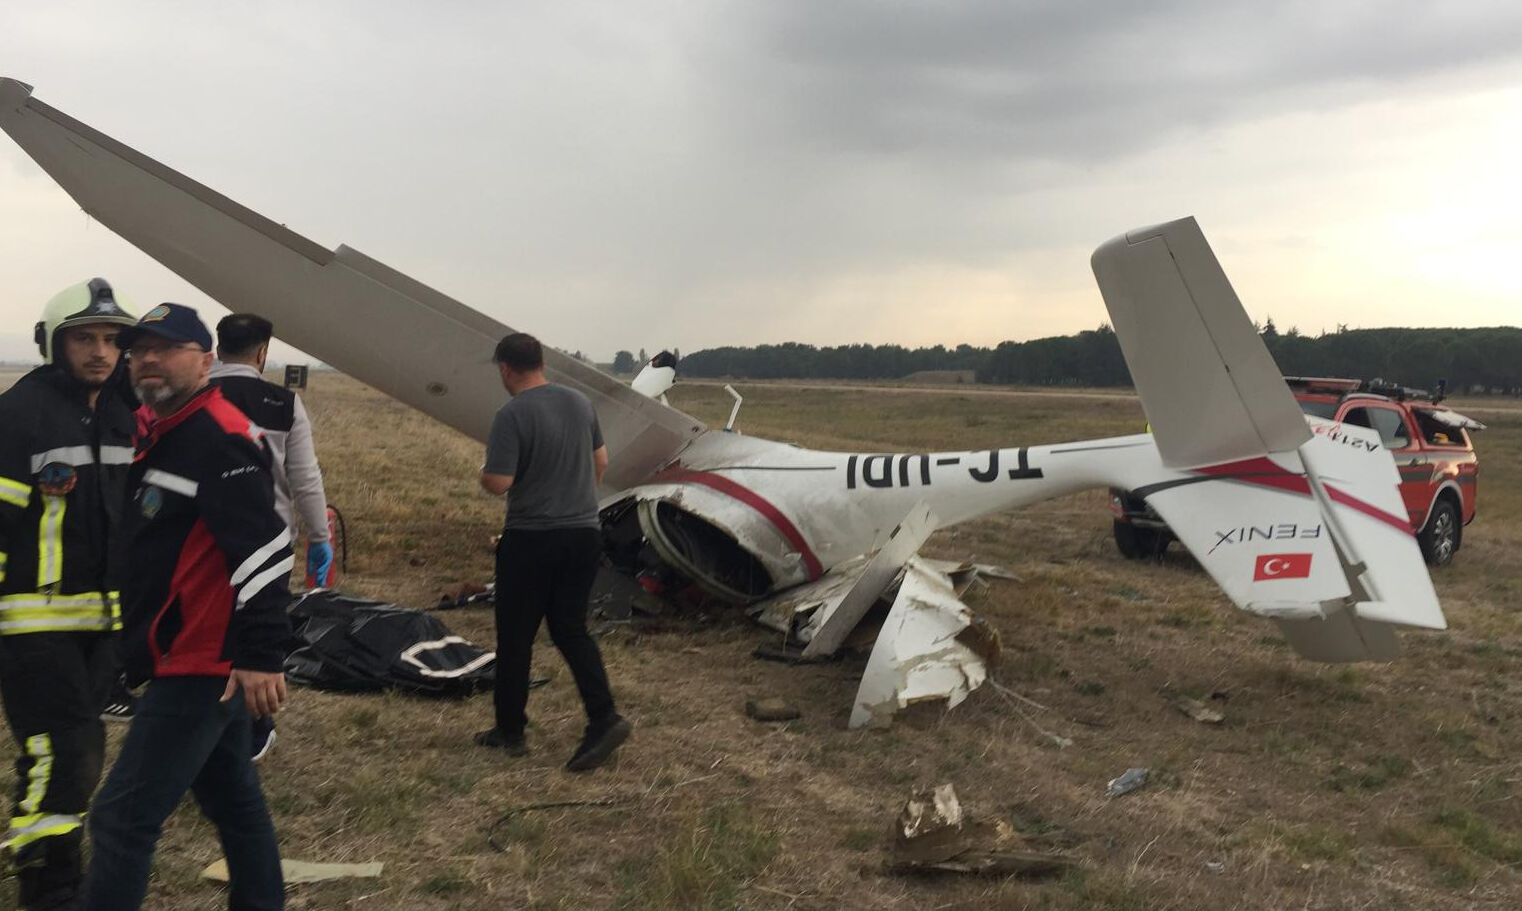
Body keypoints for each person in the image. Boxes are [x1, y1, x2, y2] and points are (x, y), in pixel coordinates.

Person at [83, 303, 293, 911]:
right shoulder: (162, 428)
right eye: (140, 349)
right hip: (186, 654)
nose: (148, 358)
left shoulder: (218, 436)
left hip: (199, 661)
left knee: (121, 817)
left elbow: (266, 547)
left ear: (206, 361)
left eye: (166, 348)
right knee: (235, 803)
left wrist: (259, 654)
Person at [0, 279, 138, 911]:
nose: (101, 353)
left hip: (101, 623)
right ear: (52, 343)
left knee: (79, 754)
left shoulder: (123, 411)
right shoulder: (19, 414)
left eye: (113, 340)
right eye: (85, 338)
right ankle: (49, 893)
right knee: (56, 759)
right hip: (32, 621)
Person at [476, 332, 631, 772]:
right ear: (541, 363)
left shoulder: (511, 414)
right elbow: (601, 462)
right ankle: (604, 717)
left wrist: (484, 473)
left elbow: (500, 482)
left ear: (505, 369)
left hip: (531, 539)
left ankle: (510, 732)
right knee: (570, 629)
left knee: (516, 635)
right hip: (583, 534)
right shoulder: (580, 404)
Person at [211, 313, 333, 762]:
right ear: (262, 352)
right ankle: (255, 727)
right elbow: (305, 478)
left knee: (211, 631)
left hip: (206, 540)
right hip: (269, 542)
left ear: (218, 346)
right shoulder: (283, 403)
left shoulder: (196, 394)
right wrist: (320, 537)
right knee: (257, 631)